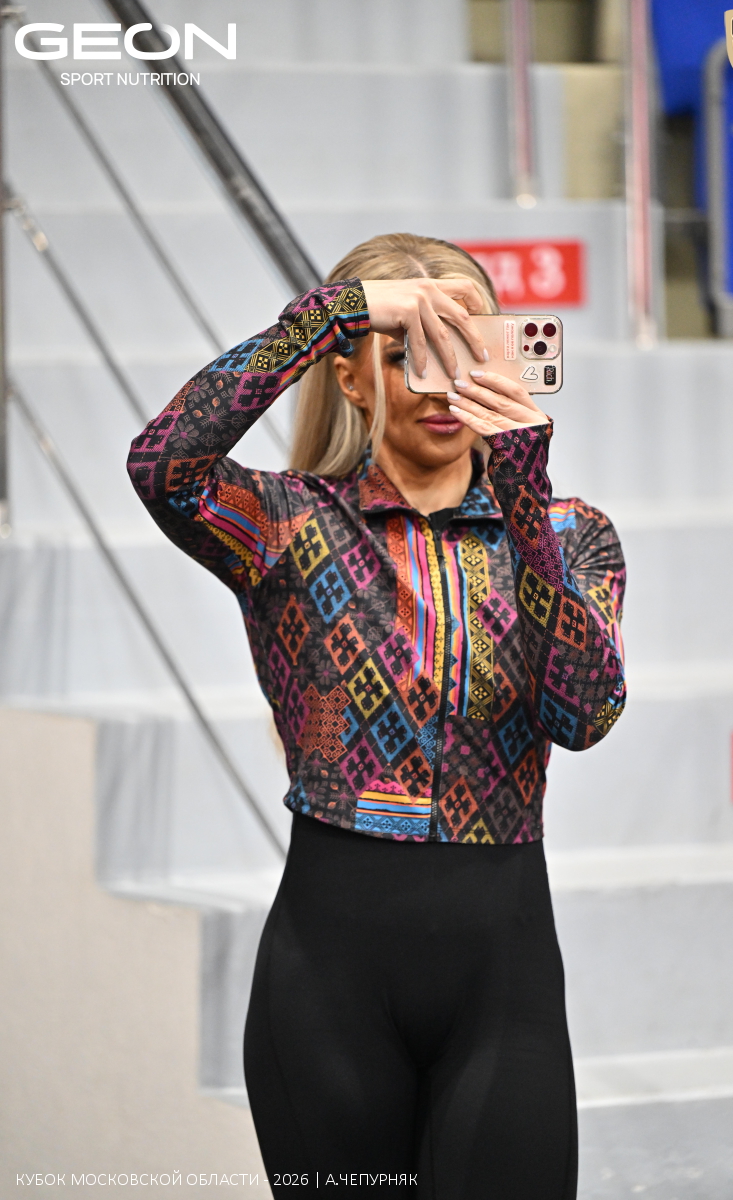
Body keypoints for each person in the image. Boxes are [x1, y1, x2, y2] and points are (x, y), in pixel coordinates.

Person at [127, 233, 626, 1199]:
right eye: (409, 353)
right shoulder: (287, 523)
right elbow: (164, 466)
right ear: (352, 378)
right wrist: (333, 315)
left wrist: (525, 500)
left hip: (504, 978)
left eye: (467, 348)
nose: (445, 385)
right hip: (327, 982)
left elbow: (585, 710)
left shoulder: (573, 534)